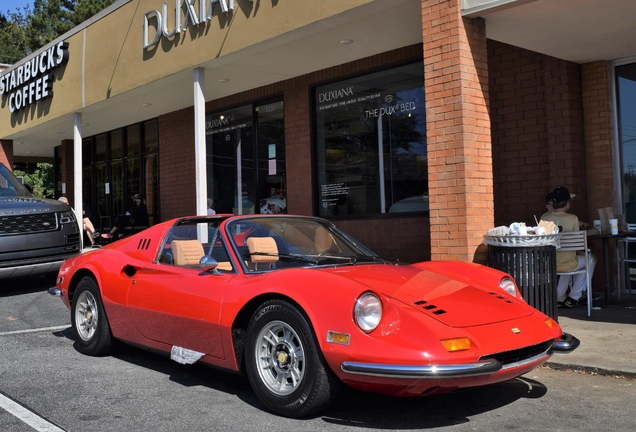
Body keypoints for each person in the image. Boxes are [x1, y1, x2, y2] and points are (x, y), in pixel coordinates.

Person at [540, 186, 597, 307]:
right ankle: (574, 296)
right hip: (568, 262)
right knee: (589, 260)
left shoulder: (544, 217)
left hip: (549, 263)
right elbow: (576, 243)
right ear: (567, 203)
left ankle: (560, 297)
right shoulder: (573, 219)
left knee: (567, 260)